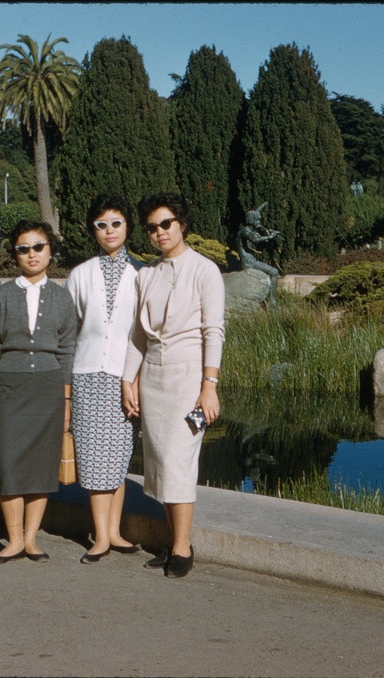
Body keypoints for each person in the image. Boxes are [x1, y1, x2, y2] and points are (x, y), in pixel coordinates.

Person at [121, 193, 225, 579]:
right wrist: (127, 380)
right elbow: (138, 337)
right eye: (152, 227)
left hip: (188, 378)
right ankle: (172, 539)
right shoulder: (146, 275)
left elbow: (214, 331)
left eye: (166, 223)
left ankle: (183, 546)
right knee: (161, 463)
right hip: (153, 377)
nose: (160, 232)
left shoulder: (205, 270)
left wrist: (209, 385)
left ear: (182, 223)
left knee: (180, 462)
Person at [0, 220, 77, 565]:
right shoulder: (0, 296)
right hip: (10, 387)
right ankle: (13, 540)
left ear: (50, 250)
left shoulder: (63, 298)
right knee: (9, 464)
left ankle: (32, 539)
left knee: (41, 466)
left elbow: (67, 352)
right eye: (24, 248)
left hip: (48, 388)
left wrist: (66, 403)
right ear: (15, 254)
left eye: (39, 246)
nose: (32, 254)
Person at [65, 193, 144, 564]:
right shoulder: (80, 274)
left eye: (116, 223)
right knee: (95, 456)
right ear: (92, 229)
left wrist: (137, 379)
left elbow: (145, 332)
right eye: (101, 224)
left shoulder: (144, 274)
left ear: (127, 226)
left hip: (127, 377)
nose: (109, 231)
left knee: (119, 455)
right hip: (87, 375)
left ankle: (114, 531)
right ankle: (99, 536)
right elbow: (70, 330)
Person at [236, 202, 281, 305]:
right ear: (251, 220)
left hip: (252, 261)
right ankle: (272, 300)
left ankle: (270, 299)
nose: (259, 222)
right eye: (257, 219)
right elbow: (256, 240)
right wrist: (269, 237)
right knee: (274, 272)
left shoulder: (251, 230)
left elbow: (261, 240)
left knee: (273, 272)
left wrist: (267, 233)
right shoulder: (245, 232)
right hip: (249, 263)